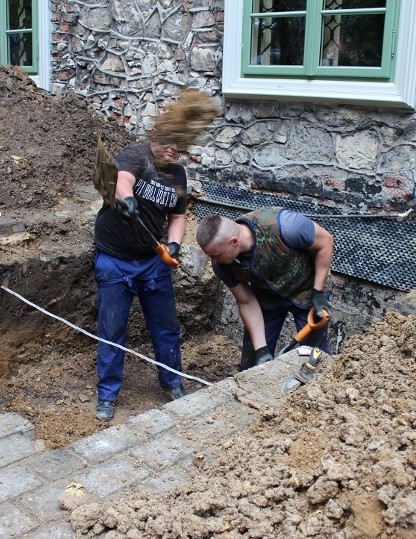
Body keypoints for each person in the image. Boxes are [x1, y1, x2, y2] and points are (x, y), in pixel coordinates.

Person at [92, 135, 188, 421]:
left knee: (166, 326)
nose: (174, 148)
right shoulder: (135, 155)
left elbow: (178, 216)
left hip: (152, 262)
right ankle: (107, 394)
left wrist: (174, 245)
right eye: (169, 141)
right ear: (155, 134)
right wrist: (128, 199)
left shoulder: (178, 173)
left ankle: (172, 383)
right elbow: (122, 180)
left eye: (180, 144)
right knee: (112, 329)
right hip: (114, 259)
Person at [195, 207, 335, 371]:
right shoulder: (221, 265)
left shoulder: (284, 226)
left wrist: (319, 292)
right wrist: (261, 350)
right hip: (267, 297)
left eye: (216, 254)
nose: (213, 260)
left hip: (308, 291)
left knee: (314, 359)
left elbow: (325, 242)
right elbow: (246, 301)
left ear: (234, 242)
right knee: (252, 363)